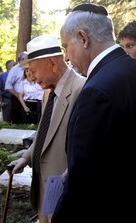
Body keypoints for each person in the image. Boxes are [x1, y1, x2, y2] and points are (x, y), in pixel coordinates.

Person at [51, 4, 136, 223]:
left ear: (83, 38)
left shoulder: (96, 91)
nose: (67, 57)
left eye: (66, 46)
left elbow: (82, 182)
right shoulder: (129, 68)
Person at [8, 34, 86, 223]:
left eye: (33, 70)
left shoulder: (83, 89)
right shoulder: (47, 93)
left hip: (66, 196)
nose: (31, 77)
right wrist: (26, 158)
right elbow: (45, 134)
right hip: (44, 190)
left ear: (52, 63)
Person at [5, 51, 28, 124]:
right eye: (28, 58)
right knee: (18, 120)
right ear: (24, 59)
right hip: (17, 98)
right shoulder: (14, 69)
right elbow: (8, 86)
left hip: (29, 98)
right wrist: (18, 96)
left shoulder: (29, 68)